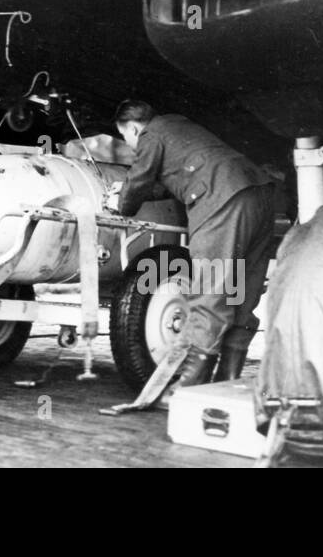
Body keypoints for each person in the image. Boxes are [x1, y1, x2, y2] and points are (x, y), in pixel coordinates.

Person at [114, 99, 276, 392]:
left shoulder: (151, 135)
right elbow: (170, 180)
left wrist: (121, 202)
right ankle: (227, 380)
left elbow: (139, 178)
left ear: (135, 128)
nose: (130, 144)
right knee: (239, 290)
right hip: (259, 198)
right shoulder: (178, 125)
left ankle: (190, 385)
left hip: (222, 203)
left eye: (125, 137)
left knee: (210, 294)